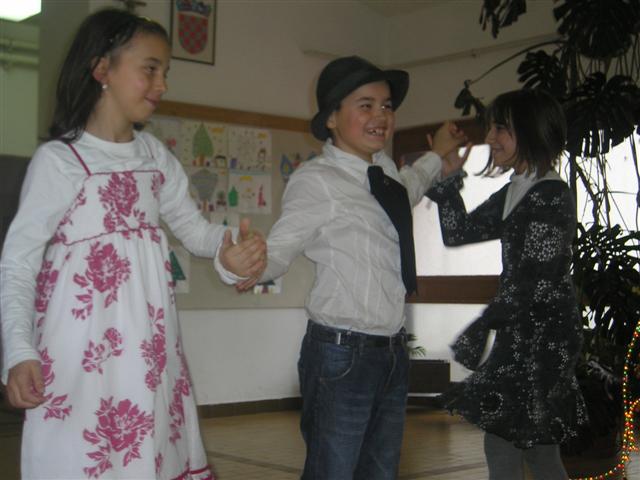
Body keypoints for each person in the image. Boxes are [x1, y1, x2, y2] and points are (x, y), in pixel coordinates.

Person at [0, 9, 265, 479]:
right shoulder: (60, 161)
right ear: (102, 69)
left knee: (148, 454)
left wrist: (228, 253)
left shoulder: (154, 157)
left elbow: (196, 231)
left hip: (147, 355)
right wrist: (20, 351)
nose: (162, 84)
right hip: (79, 355)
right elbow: (18, 263)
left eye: (166, 72)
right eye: (150, 69)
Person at [236, 55, 467, 480]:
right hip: (341, 355)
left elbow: (411, 186)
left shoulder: (384, 172)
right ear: (331, 118)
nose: (381, 115)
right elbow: (281, 249)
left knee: (380, 473)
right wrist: (247, 263)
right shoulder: (317, 180)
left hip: (391, 352)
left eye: (387, 106)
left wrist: (437, 155)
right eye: (366, 105)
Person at [426, 89, 588, 479]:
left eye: (501, 129)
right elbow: (459, 231)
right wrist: (448, 176)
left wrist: (484, 324)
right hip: (523, 330)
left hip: (543, 337)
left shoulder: (550, 194)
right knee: (538, 452)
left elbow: (536, 278)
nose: (490, 138)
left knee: (504, 441)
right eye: (491, 128)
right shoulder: (520, 187)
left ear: (532, 132)